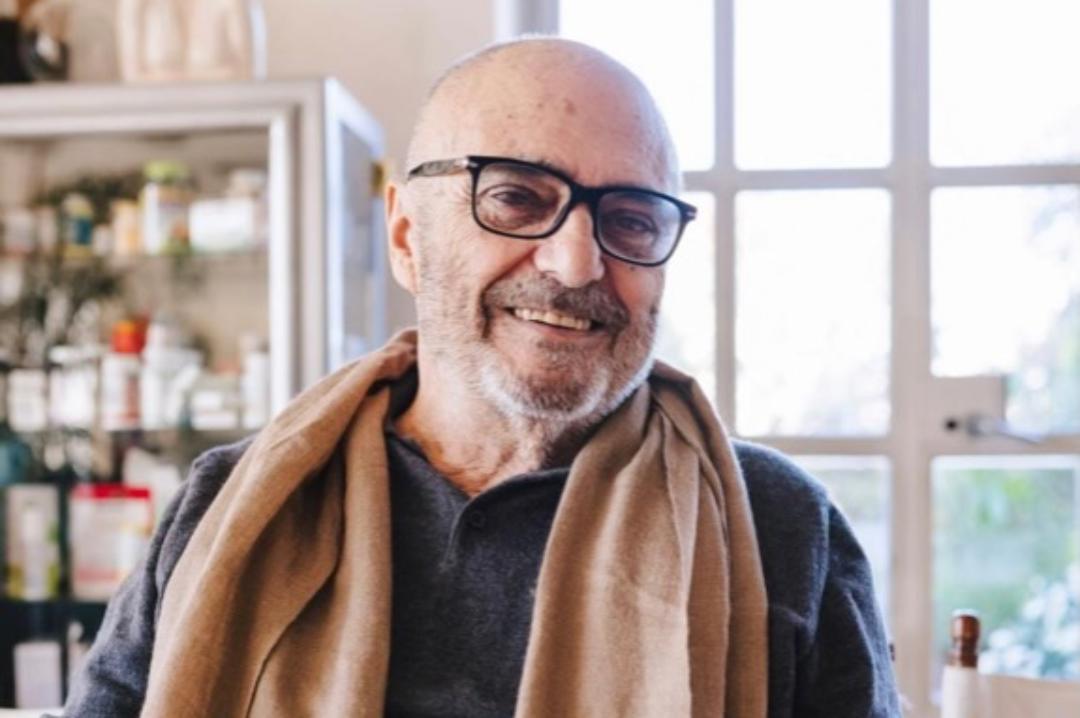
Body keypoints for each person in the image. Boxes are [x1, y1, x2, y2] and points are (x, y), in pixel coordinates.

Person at [65, 38, 900, 717]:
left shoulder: (781, 528)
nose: (575, 263)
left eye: (632, 219)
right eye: (516, 198)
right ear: (407, 237)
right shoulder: (230, 507)